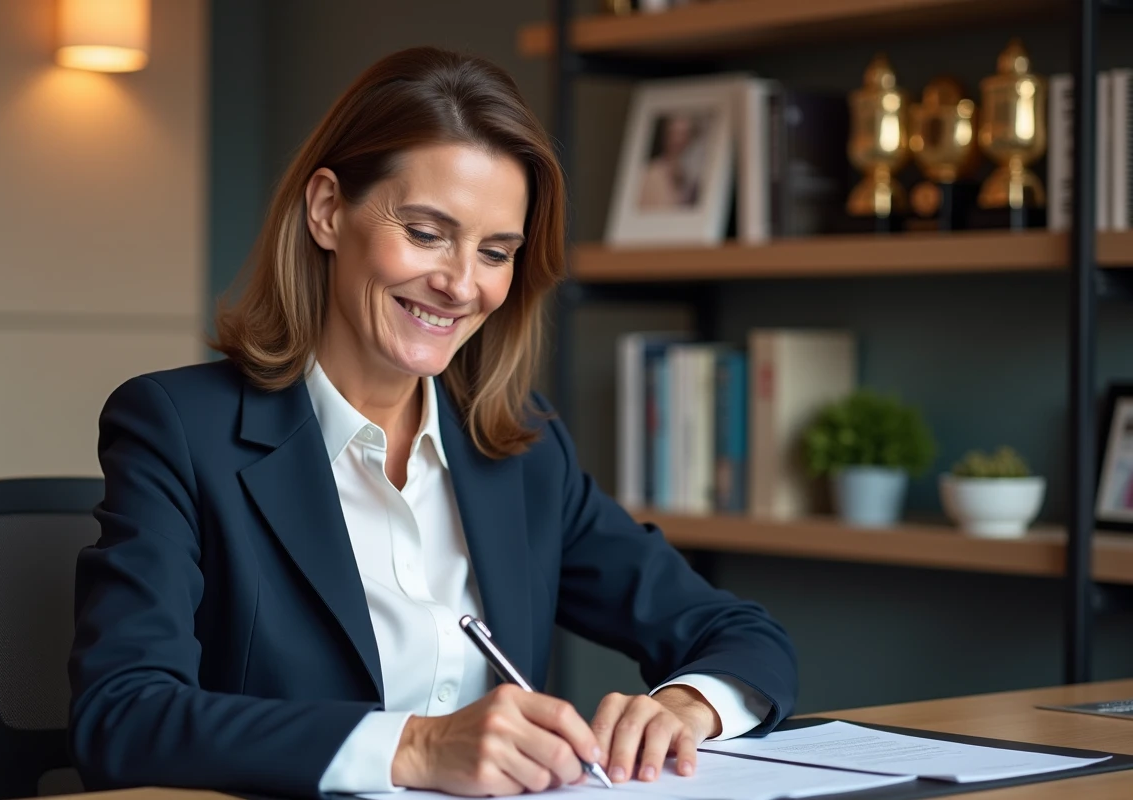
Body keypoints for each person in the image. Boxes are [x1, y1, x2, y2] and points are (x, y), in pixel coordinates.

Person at [67, 46, 797, 799]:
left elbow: (741, 636)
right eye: (424, 233)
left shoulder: (521, 448)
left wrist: (688, 705)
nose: (460, 284)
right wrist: (415, 748)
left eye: (495, 252)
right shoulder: (179, 428)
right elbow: (122, 718)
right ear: (326, 211)